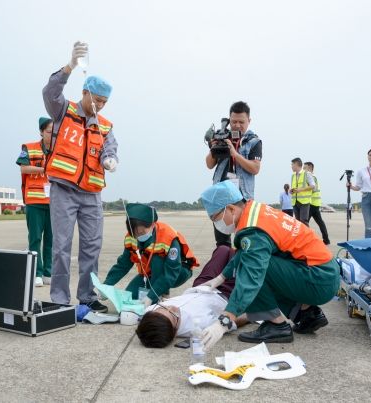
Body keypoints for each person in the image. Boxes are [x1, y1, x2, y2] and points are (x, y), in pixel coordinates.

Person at [198, 181, 340, 349]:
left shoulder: (252, 231)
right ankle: (306, 313)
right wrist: (221, 277)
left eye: (215, 218)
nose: (217, 223)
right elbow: (246, 251)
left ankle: (276, 325)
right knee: (255, 260)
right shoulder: (254, 212)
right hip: (324, 273)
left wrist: (225, 319)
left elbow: (251, 275)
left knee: (252, 270)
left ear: (230, 209)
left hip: (318, 278)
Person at [42, 42, 118, 312]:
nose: (99, 105)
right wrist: (69, 67)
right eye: (96, 100)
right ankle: (60, 300)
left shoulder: (105, 125)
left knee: (92, 247)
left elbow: (110, 146)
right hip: (64, 190)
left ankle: (86, 296)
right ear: (85, 93)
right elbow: (50, 92)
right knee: (61, 246)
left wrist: (111, 159)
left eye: (104, 102)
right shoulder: (64, 111)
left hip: (91, 194)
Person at [135, 246, 248, 348]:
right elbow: (232, 322)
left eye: (163, 308)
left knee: (223, 250)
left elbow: (144, 319)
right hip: (224, 293)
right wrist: (253, 315)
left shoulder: (150, 313)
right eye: (174, 316)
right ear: (174, 333)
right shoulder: (198, 326)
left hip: (202, 286)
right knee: (242, 257)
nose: (172, 308)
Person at [103, 203, 199, 307]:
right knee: (130, 298)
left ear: (153, 225)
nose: (138, 236)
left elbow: (171, 272)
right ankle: (157, 290)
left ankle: (162, 293)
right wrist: (106, 285)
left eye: (142, 232)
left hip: (179, 271)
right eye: (134, 232)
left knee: (157, 260)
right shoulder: (131, 236)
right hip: (149, 274)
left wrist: (151, 297)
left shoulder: (168, 237)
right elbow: (123, 264)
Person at [205, 101, 262, 248]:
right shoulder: (223, 136)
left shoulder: (253, 141)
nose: (237, 125)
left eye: (241, 122)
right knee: (222, 242)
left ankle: (240, 269)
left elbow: (255, 168)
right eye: (233, 121)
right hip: (221, 198)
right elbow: (210, 164)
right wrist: (214, 145)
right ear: (229, 120)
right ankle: (223, 268)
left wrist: (235, 154)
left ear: (249, 120)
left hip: (243, 198)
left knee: (245, 241)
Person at [16, 117, 54, 287]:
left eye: (55, 132)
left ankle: (48, 272)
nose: (52, 135)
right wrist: (44, 169)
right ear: (41, 131)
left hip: (54, 202)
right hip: (35, 201)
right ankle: (36, 273)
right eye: (48, 132)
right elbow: (24, 168)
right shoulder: (29, 148)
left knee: (51, 240)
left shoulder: (59, 149)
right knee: (35, 239)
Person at [304, 162, 331, 245]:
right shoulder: (313, 176)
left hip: (311, 203)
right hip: (315, 203)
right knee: (320, 222)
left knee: (304, 223)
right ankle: (326, 240)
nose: (303, 170)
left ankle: (305, 240)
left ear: (310, 168)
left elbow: (313, 189)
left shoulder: (311, 177)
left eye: (305, 168)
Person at [290, 157, 315, 225]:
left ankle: (307, 236)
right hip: (295, 202)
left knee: (303, 222)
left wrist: (300, 189)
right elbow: (295, 187)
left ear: (296, 164)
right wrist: (291, 191)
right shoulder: (293, 176)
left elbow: (313, 186)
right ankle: (299, 236)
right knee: (297, 223)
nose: (291, 166)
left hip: (304, 202)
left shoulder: (307, 174)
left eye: (292, 164)